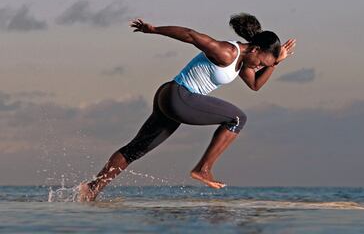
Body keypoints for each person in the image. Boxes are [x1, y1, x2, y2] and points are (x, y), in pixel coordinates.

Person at [77, 13, 296, 201]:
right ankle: (203, 169)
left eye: (263, 67)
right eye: (261, 63)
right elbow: (191, 35)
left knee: (135, 150)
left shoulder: (245, 63)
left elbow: (256, 85)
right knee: (237, 118)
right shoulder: (227, 52)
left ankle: (92, 190)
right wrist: (153, 30)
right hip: (179, 96)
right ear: (255, 49)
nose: (258, 67)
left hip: (170, 97)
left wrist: (276, 63)